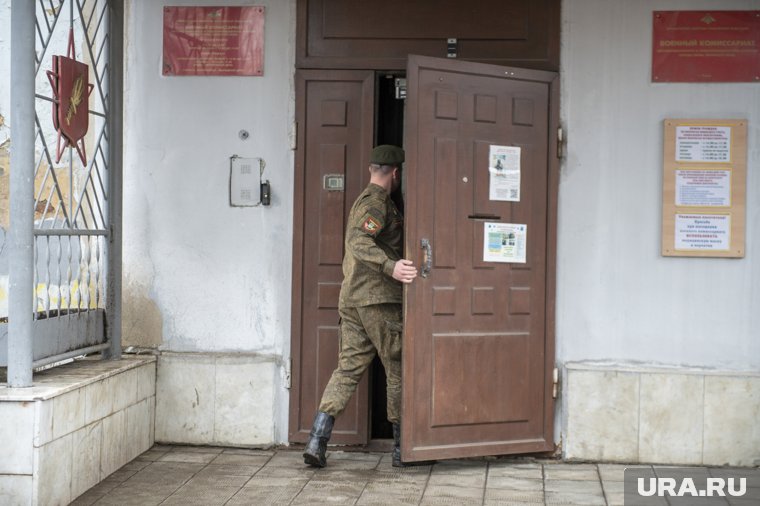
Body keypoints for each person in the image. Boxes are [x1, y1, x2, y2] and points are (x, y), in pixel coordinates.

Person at [303, 145, 417, 468]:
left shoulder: (361, 200)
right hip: (377, 301)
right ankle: (401, 449)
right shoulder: (378, 203)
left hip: (352, 300)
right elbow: (358, 241)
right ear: (396, 173)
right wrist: (390, 266)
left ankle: (317, 439)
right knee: (397, 366)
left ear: (372, 169)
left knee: (348, 368)